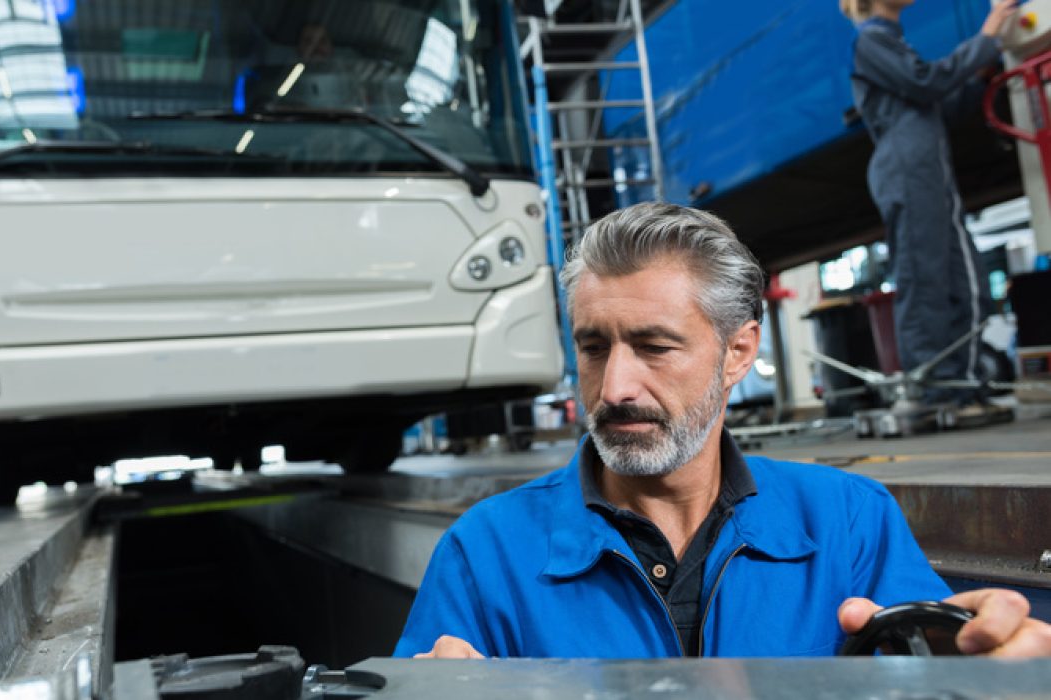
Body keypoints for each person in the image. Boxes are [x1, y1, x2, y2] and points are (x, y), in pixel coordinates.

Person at [394, 202, 1051, 658]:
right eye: (593, 348)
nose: (615, 387)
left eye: (654, 346)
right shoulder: (486, 551)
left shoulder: (849, 523)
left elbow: (942, 662)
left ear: (738, 353)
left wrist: (991, 668)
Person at [843, 0, 1017, 407]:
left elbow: (937, 105)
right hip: (909, 170)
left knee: (963, 282)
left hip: (927, 171)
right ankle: (936, 388)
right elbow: (927, 83)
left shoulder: (894, 44)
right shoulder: (871, 41)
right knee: (925, 280)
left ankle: (959, 384)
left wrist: (979, 77)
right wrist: (987, 37)